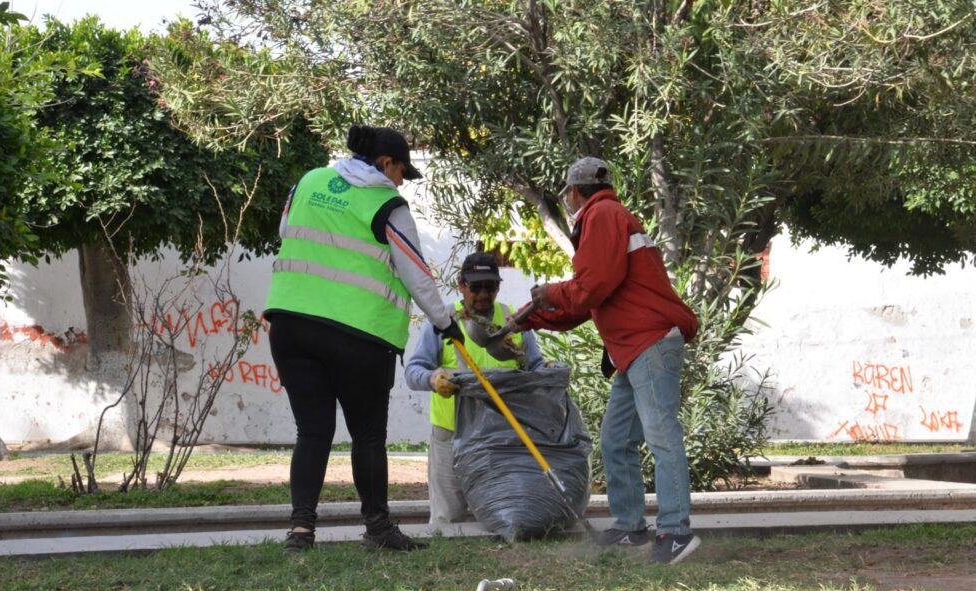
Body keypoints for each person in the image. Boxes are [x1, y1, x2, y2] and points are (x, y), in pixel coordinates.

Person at [264, 125, 465, 554]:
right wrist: (446, 323)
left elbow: (286, 231)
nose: (399, 182)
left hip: (291, 325)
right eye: (399, 172)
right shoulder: (389, 206)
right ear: (384, 163)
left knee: (312, 432)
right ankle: (377, 527)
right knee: (368, 437)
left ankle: (301, 532)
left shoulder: (309, 181)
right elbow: (416, 274)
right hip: (358, 335)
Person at [510, 157, 701, 565]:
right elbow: (587, 299)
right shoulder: (610, 215)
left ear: (574, 192)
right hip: (634, 349)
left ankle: (676, 532)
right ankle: (631, 528)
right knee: (616, 440)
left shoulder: (601, 215)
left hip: (647, 343)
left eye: (566, 194)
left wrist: (547, 295)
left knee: (662, 437)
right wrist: (530, 316)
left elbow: (589, 287)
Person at [404, 252, 543, 524]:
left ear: (498, 287)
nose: (482, 294)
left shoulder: (513, 322)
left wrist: (544, 370)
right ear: (461, 285)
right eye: (475, 287)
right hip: (451, 435)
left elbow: (535, 369)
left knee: (504, 514)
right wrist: (433, 379)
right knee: (448, 519)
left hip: (502, 437)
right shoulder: (443, 321)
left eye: (489, 287)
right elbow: (413, 371)